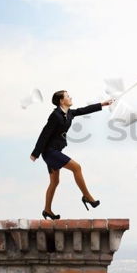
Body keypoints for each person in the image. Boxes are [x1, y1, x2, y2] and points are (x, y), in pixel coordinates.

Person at [30, 90, 114, 219]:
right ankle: (87, 197)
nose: (70, 97)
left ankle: (47, 210)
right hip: (49, 152)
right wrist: (36, 153)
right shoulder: (55, 115)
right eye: (68, 96)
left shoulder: (69, 113)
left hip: (56, 151)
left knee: (54, 181)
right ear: (61, 101)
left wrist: (102, 104)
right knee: (77, 167)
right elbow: (44, 134)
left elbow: (83, 110)